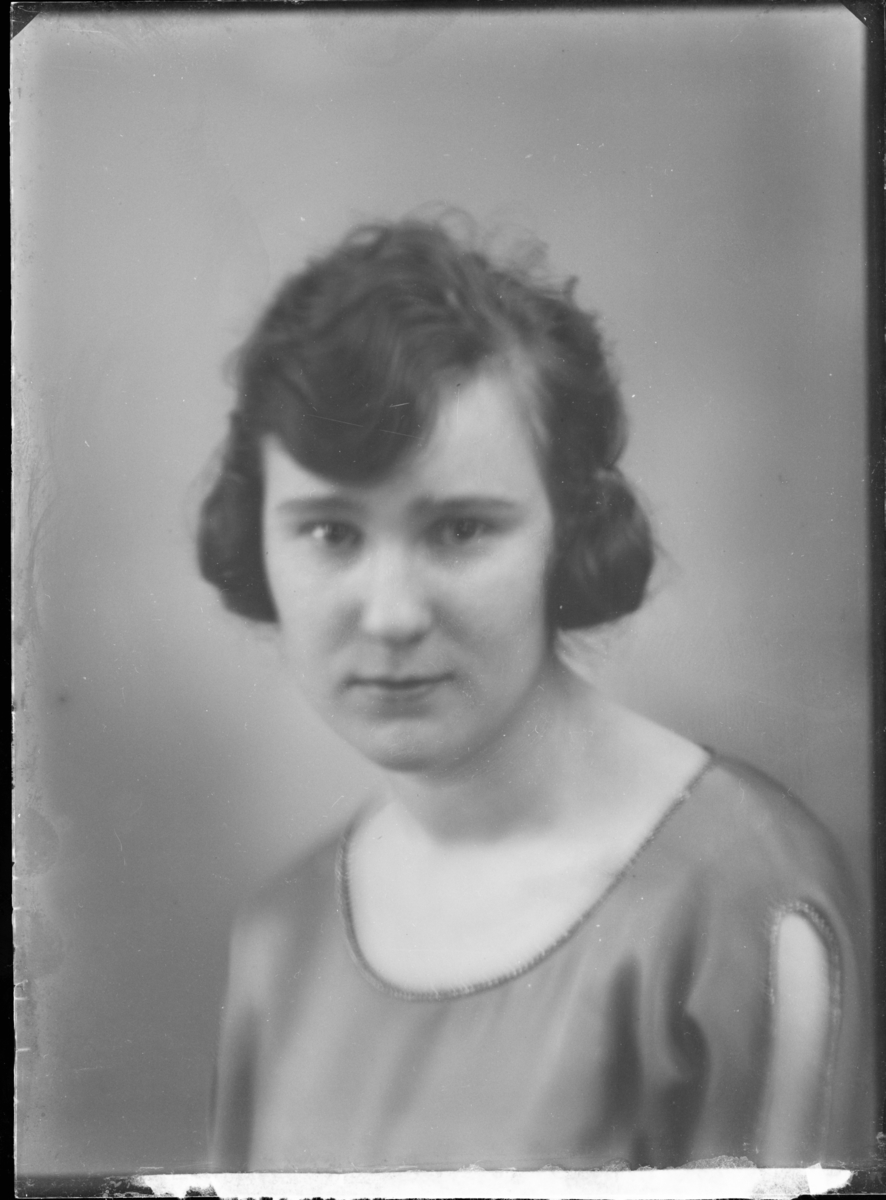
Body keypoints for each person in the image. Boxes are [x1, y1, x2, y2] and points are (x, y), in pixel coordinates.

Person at [198, 216, 871, 1171]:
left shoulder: (734, 901)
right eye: (330, 534)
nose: (390, 614)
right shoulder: (283, 933)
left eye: (461, 530)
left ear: (570, 532)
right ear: (256, 537)